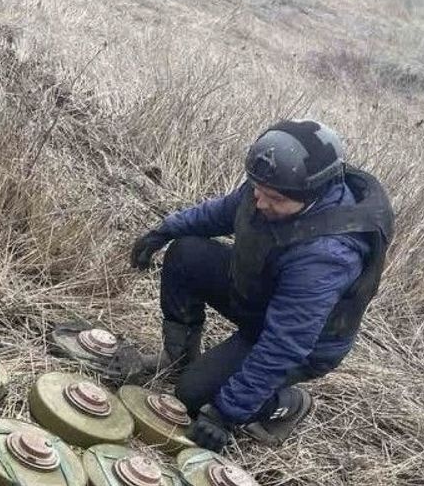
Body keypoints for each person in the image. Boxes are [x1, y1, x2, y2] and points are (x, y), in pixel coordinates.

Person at [129, 119, 394, 450]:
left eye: (275, 199)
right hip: (262, 297)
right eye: (257, 190)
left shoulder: (326, 255)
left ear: (312, 194)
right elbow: (223, 212)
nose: (260, 202)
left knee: (192, 396)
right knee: (186, 251)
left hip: (304, 344)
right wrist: (166, 230)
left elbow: (285, 343)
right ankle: (179, 354)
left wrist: (226, 413)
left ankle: (288, 405)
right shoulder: (272, 187)